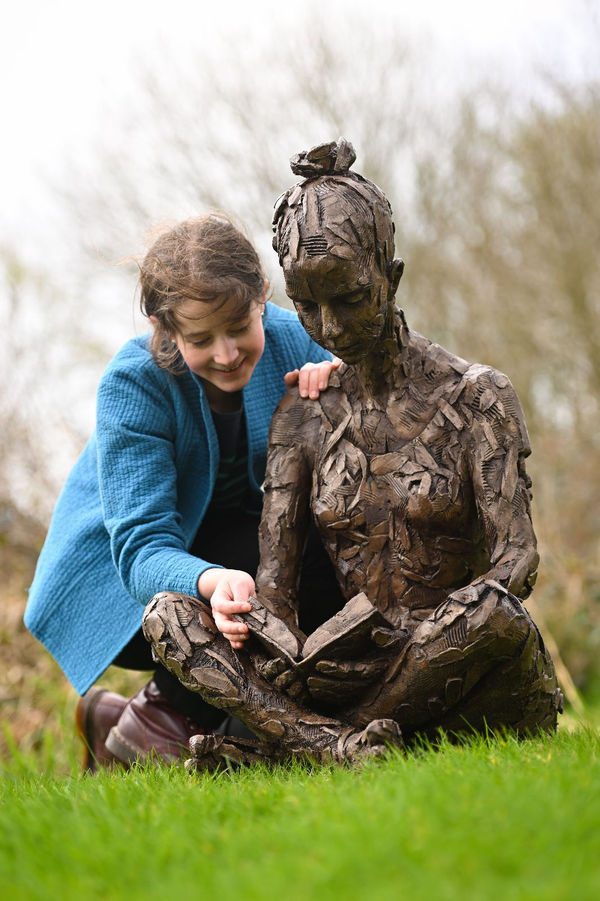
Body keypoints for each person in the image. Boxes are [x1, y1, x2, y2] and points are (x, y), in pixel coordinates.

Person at [142, 141, 562, 768]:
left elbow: (517, 562)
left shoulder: (478, 397)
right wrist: (277, 637)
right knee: (169, 615)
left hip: (463, 665)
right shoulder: (302, 413)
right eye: (307, 307)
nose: (331, 327)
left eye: (349, 298)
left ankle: (305, 746)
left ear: (389, 277)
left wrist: (421, 641)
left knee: (496, 614)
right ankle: (337, 745)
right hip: (345, 669)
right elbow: (276, 590)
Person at [24, 213, 342, 771]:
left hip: (241, 552)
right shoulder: (133, 383)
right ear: (163, 327)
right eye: (200, 339)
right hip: (123, 586)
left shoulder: (297, 341)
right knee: (279, 558)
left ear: (262, 295)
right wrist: (209, 580)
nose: (226, 354)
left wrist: (343, 385)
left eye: (240, 327)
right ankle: (159, 719)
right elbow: (143, 549)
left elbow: (391, 380)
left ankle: (145, 720)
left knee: (320, 549)